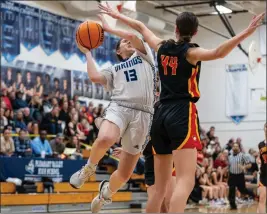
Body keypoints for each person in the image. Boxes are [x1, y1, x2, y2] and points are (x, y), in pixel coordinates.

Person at [99, 3, 265, 212]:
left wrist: (116, 15)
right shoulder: (191, 52)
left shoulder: (162, 46)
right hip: (181, 112)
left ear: (176, 29)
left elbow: (141, 27)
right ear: (195, 32)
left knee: (159, 189)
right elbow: (219, 52)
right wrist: (247, 32)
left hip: (159, 115)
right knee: (186, 181)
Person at [69, 13, 156, 213]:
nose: (129, 41)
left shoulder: (144, 55)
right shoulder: (114, 69)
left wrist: (108, 28)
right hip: (120, 106)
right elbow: (94, 76)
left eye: (129, 39)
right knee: (106, 137)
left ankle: (106, 193)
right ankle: (88, 169)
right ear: (118, 50)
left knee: (125, 174)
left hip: (143, 115)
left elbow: (136, 37)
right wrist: (87, 52)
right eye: (124, 41)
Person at [257, 123, 267, 213]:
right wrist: (258, 160)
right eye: (266, 127)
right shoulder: (260, 144)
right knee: (262, 198)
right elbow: (259, 156)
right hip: (264, 175)